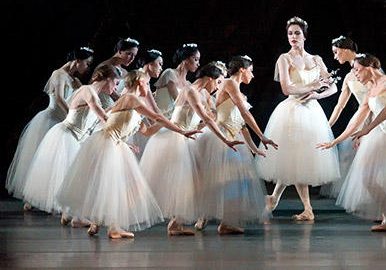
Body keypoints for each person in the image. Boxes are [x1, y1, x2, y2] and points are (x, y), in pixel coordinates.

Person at [56, 70, 199, 239]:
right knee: (118, 186)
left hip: (117, 145)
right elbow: (156, 117)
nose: (148, 86)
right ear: (139, 83)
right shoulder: (131, 98)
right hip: (108, 144)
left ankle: (102, 223)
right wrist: (181, 130)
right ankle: (111, 227)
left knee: (117, 186)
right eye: (146, 83)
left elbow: (146, 131)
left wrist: (167, 123)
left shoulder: (132, 104)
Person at [318, 54, 386, 232]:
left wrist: (367, 130)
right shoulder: (369, 92)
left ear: (368, 67)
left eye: (357, 69)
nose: (355, 73)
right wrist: (335, 141)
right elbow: (355, 123)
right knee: (367, 177)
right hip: (380, 133)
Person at [140, 63, 243, 235]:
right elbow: (206, 119)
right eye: (217, 82)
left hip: (186, 138)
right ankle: (176, 224)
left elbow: (204, 118)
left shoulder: (198, 92)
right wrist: (225, 140)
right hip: (177, 139)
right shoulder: (190, 91)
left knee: (192, 184)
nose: (217, 87)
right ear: (210, 79)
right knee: (185, 183)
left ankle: (179, 222)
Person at [255, 17, 340, 221]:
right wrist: (311, 87)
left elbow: (333, 86)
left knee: (296, 159)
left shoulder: (316, 59)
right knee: (294, 157)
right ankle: (306, 208)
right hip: (292, 110)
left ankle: (276, 199)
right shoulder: (284, 58)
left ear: (304, 35)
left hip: (311, 111)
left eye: (297, 33)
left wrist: (317, 94)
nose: (293, 37)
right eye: (290, 33)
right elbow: (286, 89)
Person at [21, 65, 119, 226]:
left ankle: (71, 214)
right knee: (74, 176)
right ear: (107, 79)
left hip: (77, 137)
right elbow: (102, 116)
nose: (115, 87)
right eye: (115, 82)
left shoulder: (90, 92)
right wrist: (119, 133)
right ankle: (75, 216)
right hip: (68, 136)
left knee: (78, 177)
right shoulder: (88, 91)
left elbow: (96, 114)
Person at [194, 55, 277, 234]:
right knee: (218, 179)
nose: (252, 76)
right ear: (242, 70)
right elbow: (245, 114)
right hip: (221, 137)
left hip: (234, 138)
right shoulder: (230, 84)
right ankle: (204, 213)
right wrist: (262, 136)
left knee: (235, 181)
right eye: (251, 71)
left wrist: (254, 147)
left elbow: (242, 125)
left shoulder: (239, 91)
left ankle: (226, 221)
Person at [6, 47, 93, 208]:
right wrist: (71, 114)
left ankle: (57, 197)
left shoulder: (74, 79)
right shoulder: (58, 74)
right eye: (87, 63)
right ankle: (34, 197)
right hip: (51, 119)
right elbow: (59, 97)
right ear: (77, 61)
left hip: (64, 121)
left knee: (61, 162)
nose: (87, 68)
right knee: (44, 161)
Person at [320, 36, 367, 198]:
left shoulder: (368, 67)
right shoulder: (348, 77)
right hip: (360, 115)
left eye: (336, 52)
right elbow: (340, 105)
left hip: (372, 116)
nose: (335, 57)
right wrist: (327, 126)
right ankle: (358, 195)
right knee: (348, 155)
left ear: (346, 50)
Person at [154, 43, 200, 115]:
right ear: (186, 59)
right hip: (161, 118)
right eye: (196, 59)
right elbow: (179, 101)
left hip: (173, 119)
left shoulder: (187, 84)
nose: (198, 64)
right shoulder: (169, 73)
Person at [95, 37, 139, 109]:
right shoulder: (105, 66)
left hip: (117, 107)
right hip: (102, 107)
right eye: (129, 54)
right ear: (120, 51)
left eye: (134, 55)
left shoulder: (125, 72)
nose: (132, 59)